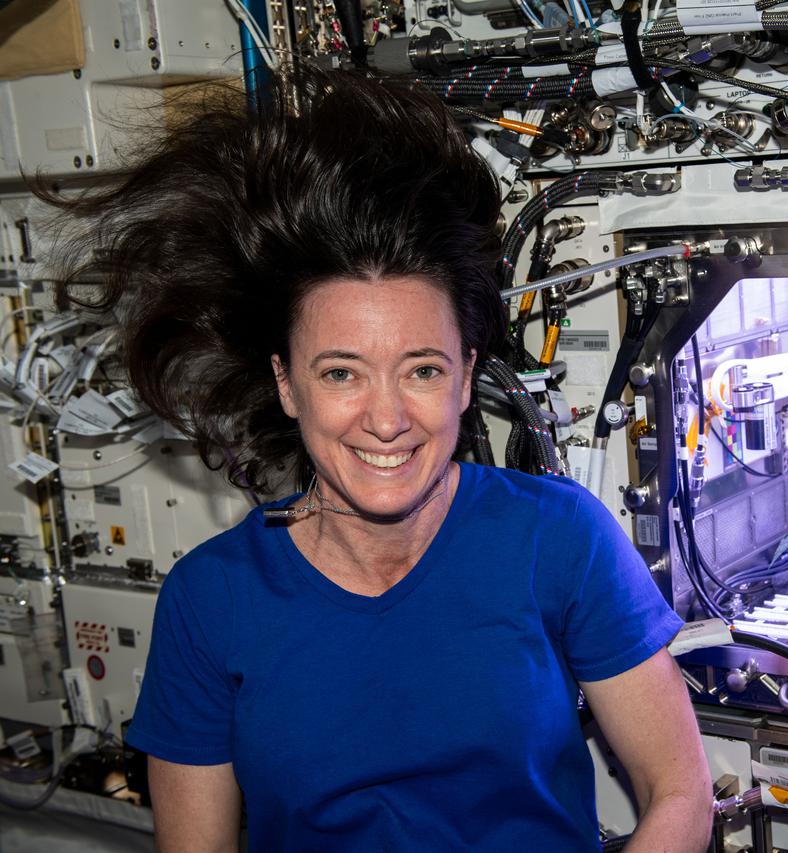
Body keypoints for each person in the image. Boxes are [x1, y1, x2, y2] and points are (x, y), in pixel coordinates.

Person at [45, 70, 712, 851]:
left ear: (465, 375)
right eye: (341, 373)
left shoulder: (560, 539)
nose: (387, 419)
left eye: (422, 369)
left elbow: (680, 793)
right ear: (286, 383)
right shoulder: (211, 599)